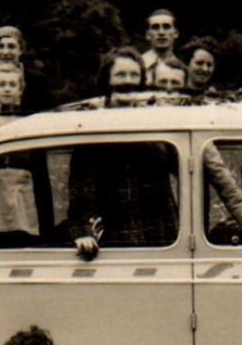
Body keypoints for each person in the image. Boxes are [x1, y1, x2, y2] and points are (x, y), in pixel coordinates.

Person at [68, 50, 178, 257]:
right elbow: (81, 185)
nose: (128, 82)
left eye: (134, 75)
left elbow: (182, 165)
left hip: (162, 233)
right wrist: (82, 230)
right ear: (107, 80)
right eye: (120, 75)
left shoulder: (156, 121)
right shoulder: (92, 125)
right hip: (118, 234)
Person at [139, 9, 181, 83]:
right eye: (155, 27)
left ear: (176, 33)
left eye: (166, 27)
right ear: (148, 35)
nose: (161, 32)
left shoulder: (181, 69)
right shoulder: (137, 65)